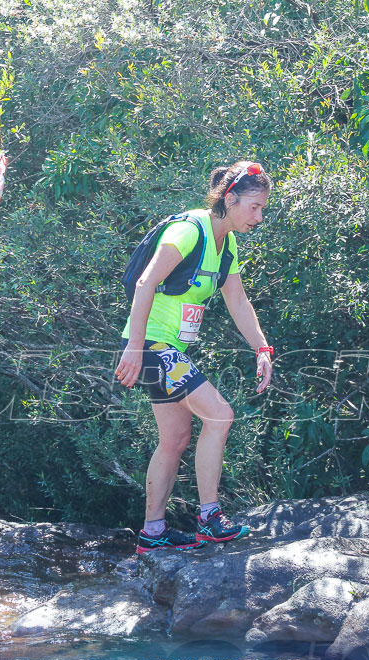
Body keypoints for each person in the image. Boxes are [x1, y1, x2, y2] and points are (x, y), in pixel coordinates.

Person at [115, 161, 275, 554]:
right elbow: (145, 282)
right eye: (254, 207)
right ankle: (210, 518)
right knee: (220, 414)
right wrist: (135, 347)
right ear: (230, 198)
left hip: (167, 349)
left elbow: (236, 299)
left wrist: (262, 347)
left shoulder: (228, 244)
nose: (260, 216)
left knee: (175, 438)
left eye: (263, 208)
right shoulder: (188, 230)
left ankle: (153, 533)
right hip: (152, 346)